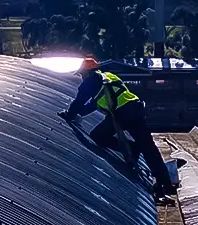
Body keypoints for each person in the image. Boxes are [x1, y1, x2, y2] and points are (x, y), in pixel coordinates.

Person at [59, 57, 180, 199]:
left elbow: (79, 101)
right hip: (135, 108)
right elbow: (94, 103)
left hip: (121, 114)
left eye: (81, 74)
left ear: (86, 72)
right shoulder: (108, 77)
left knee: (97, 135)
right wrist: (81, 113)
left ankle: (133, 149)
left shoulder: (89, 82)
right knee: (149, 147)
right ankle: (165, 183)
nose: (81, 77)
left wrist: (69, 115)